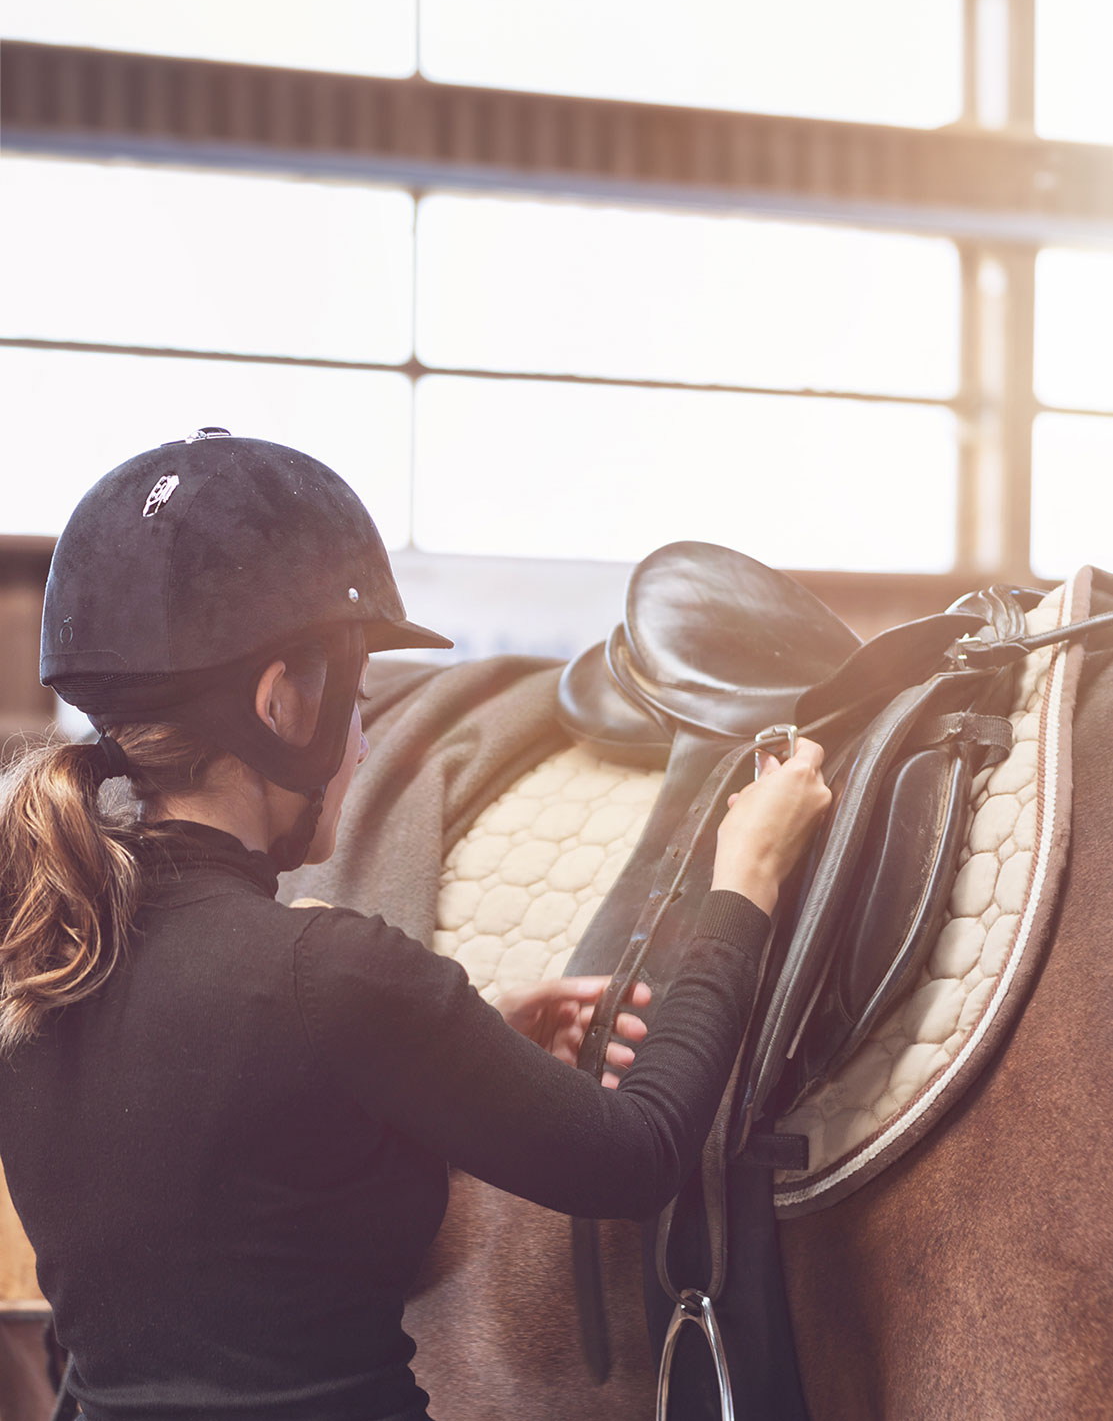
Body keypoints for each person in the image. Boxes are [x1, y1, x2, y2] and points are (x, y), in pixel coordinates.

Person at [0, 430, 830, 1421]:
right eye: (353, 701)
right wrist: (743, 885)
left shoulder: (39, 952)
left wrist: (445, 1056)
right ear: (282, 705)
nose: (359, 740)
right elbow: (635, 1154)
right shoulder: (330, 973)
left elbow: (236, 1213)